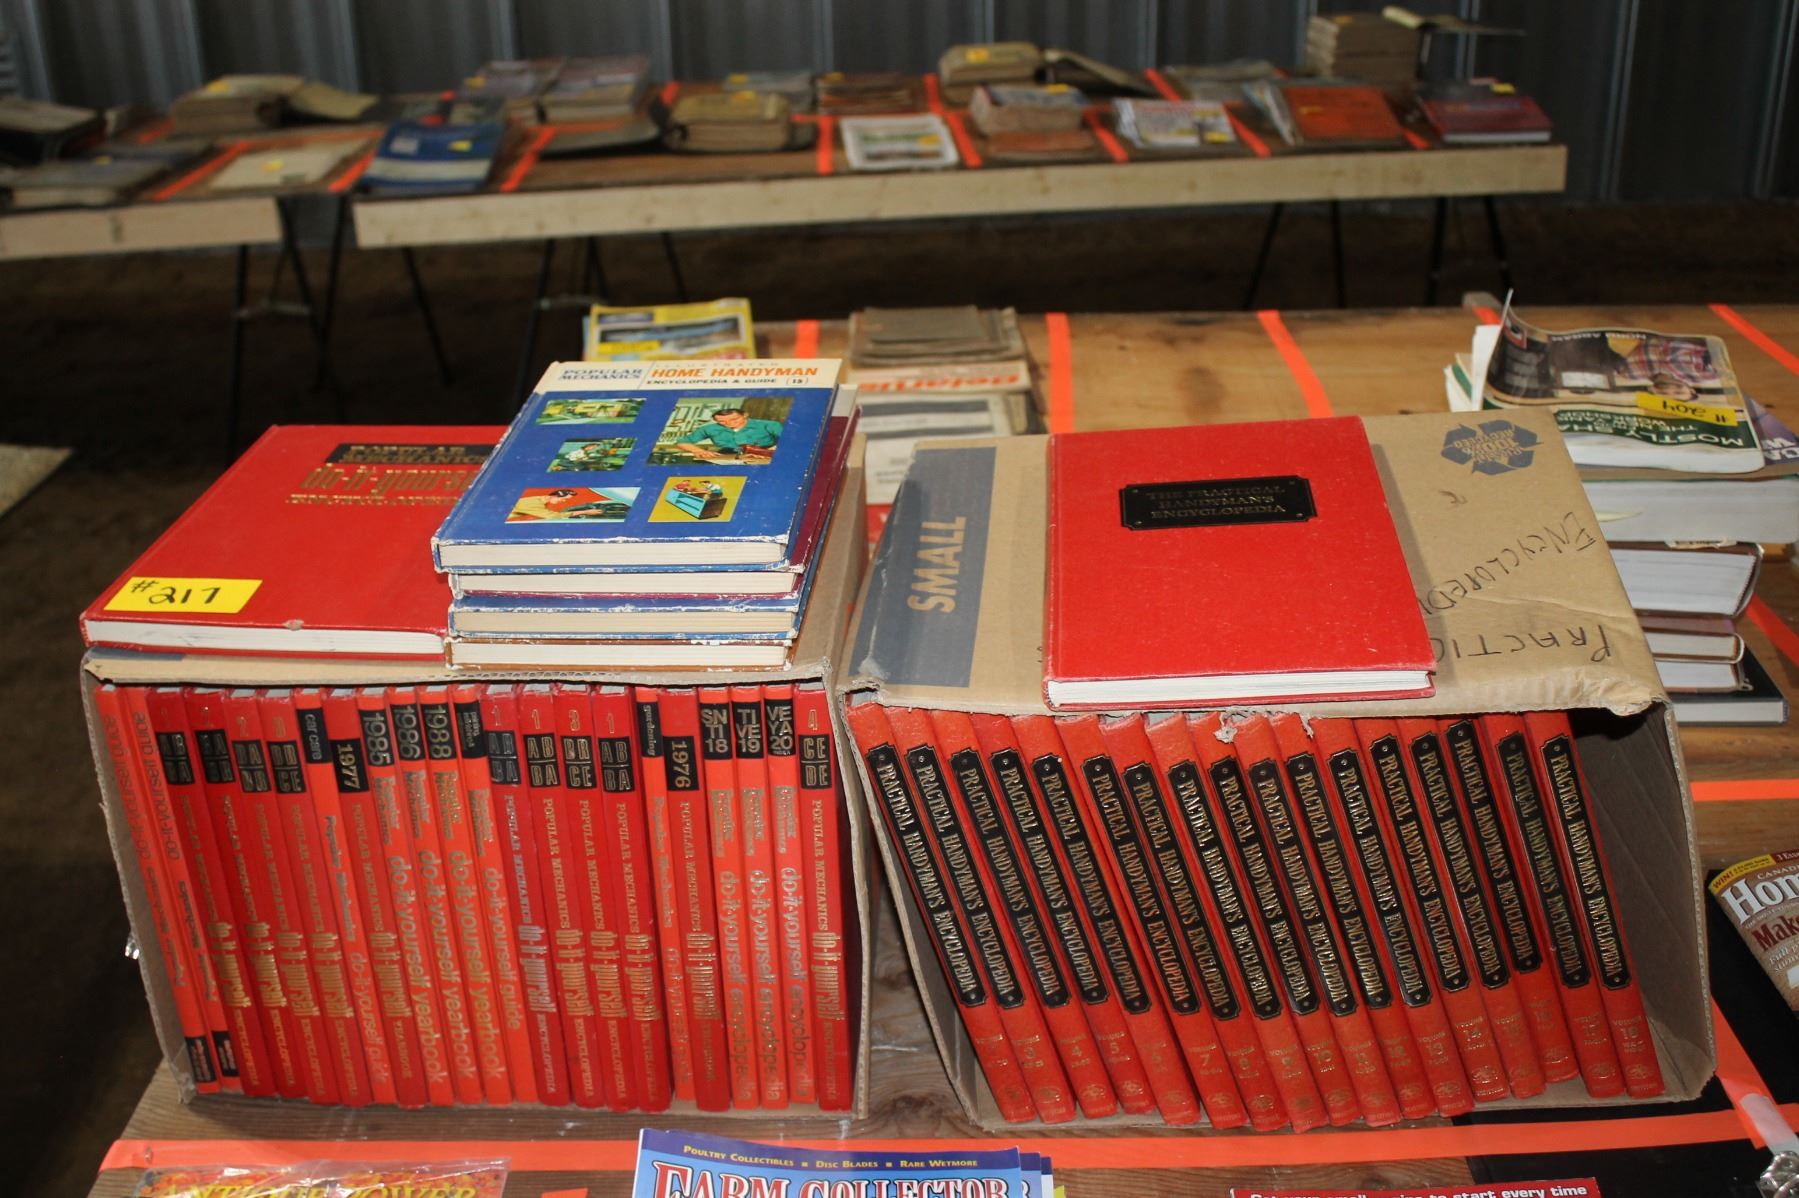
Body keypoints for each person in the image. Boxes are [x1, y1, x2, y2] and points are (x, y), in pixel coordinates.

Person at [673, 407, 783, 462]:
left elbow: (790, 441)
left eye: (734, 419)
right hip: (728, 457)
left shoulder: (770, 425)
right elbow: (682, 442)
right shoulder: (709, 429)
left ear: (745, 415)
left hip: (765, 456)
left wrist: (771, 451)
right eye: (722, 421)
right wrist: (699, 451)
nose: (729, 423)